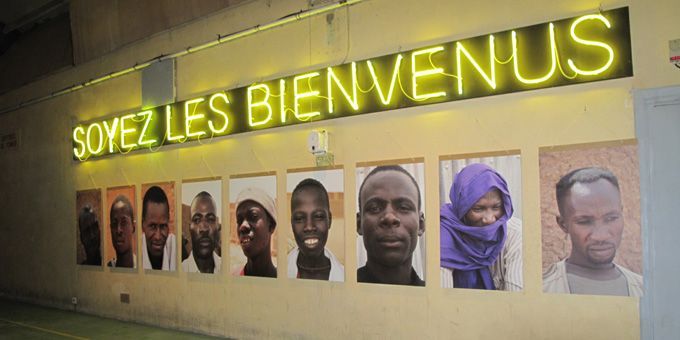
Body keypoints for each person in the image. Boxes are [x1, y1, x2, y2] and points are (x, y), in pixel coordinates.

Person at [543, 167, 642, 296]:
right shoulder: (544, 288)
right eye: (584, 222)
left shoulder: (648, 290)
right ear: (563, 224)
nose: (600, 236)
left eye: (611, 218)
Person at [440, 163, 523, 291]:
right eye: (478, 209)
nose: (490, 219)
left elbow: (516, 300)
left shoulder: (515, 234)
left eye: (496, 207)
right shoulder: (445, 230)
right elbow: (441, 296)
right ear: (462, 208)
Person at [356, 165, 425, 286]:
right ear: (359, 224)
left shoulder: (437, 300)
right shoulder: (337, 292)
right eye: (374, 208)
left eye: (404, 207)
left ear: (421, 224)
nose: (389, 217)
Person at [287, 178, 344, 281]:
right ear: (292, 223)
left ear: (329, 220)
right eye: (299, 218)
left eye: (318, 216)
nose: (309, 227)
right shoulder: (277, 275)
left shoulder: (345, 278)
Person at [234, 187, 277, 277]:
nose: (242, 226)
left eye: (253, 216)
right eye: (239, 220)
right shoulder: (232, 279)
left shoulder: (285, 284)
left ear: (271, 225)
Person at [182, 191, 221, 274]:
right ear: (190, 227)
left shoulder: (227, 270)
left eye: (210, 219)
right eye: (196, 220)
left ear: (217, 226)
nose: (204, 228)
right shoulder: (181, 270)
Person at [141, 186, 176, 271]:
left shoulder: (175, 248)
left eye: (163, 226)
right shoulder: (134, 255)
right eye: (152, 226)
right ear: (143, 225)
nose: (158, 236)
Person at [107, 195, 136, 268]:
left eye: (124, 223)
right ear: (110, 229)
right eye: (114, 224)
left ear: (133, 227)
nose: (118, 230)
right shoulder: (106, 271)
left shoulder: (144, 268)